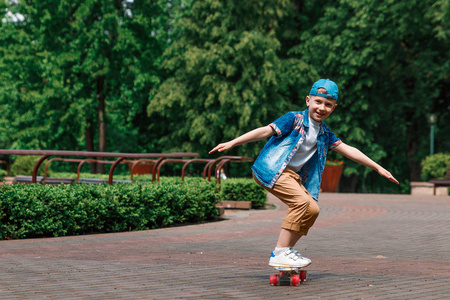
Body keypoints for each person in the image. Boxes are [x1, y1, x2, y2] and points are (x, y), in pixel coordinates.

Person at [209, 79, 399, 268]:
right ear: (308, 100)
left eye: (328, 105)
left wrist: (378, 167)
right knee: (301, 203)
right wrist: (233, 142)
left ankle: (286, 250)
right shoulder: (293, 119)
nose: (322, 108)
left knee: (313, 210)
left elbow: (349, 150)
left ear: (334, 108)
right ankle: (280, 251)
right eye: (318, 102)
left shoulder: (325, 133)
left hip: (291, 176)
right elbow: (265, 131)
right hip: (272, 170)